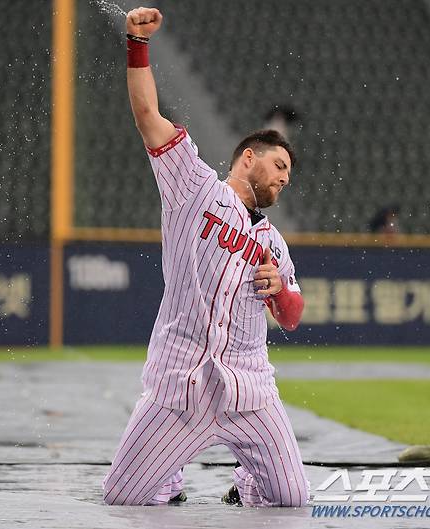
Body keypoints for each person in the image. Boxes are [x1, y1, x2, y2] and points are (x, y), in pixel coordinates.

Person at [102, 7, 308, 507]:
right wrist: (137, 43)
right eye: (278, 164)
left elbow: (294, 317)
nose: (284, 176)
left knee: (292, 497)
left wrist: (279, 290)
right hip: (182, 382)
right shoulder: (194, 189)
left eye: (290, 171)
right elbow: (149, 118)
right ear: (248, 158)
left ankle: (248, 481)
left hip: (249, 391)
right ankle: (166, 476)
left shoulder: (275, 244)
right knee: (122, 498)